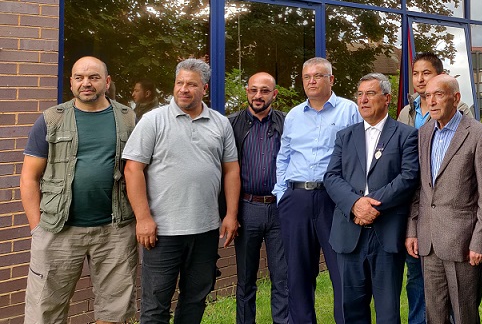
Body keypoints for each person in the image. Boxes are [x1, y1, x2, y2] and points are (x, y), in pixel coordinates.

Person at [20, 56, 138, 324]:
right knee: (44, 313)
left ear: (106, 82)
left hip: (115, 230)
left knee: (115, 313)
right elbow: (29, 177)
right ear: (71, 83)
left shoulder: (128, 119)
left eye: (94, 77)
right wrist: (37, 228)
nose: (86, 83)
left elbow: (138, 171)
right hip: (58, 230)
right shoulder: (51, 119)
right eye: (79, 78)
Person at [123, 58, 240, 324]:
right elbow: (132, 170)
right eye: (179, 83)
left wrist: (231, 215)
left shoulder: (220, 123)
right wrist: (143, 218)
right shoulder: (153, 120)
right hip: (162, 232)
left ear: (205, 89)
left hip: (206, 230)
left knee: (195, 299)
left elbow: (231, 171)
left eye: (191, 84)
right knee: (155, 307)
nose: (184, 89)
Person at [324, 73, 420, 324]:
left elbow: (408, 177)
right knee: (351, 309)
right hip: (349, 233)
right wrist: (355, 205)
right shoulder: (345, 136)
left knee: (388, 311)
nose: (363, 99)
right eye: (359, 94)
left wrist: (370, 204)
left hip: (386, 233)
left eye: (370, 93)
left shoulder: (406, 135)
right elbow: (331, 177)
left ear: (387, 98)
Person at [273, 57, 360, 324]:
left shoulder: (349, 110)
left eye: (318, 76)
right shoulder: (294, 115)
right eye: (306, 77)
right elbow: (284, 156)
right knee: (298, 273)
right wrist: (282, 194)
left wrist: (352, 199)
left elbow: (359, 154)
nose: (311, 81)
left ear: (331, 79)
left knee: (342, 270)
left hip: (333, 200)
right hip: (296, 199)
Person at [406, 74, 482, 324]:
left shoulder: (478, 135)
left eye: (439, 95)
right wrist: (412, 229)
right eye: (428, 96)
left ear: (455, 98)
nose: (432, 101)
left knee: (464, 315)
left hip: (463, 243)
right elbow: (419, 188)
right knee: (434, 315)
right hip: (428, 241)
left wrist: (480, 241)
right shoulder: (424, 133)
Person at [397, 51, 472, 324]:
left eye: (426, 73)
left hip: (449, 213)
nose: (420, 79)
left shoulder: (460, 111)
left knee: (453, 287)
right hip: (416, 202)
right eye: (415, 74)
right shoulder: (407, 112)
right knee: (417, 275)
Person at [228, 72, 289, 324]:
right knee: (245, 280)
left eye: (264, 91)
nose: (258, 96)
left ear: (274, 94)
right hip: (246, 208)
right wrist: (230, 213)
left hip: (279, 209)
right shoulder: (231, 124)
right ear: (247, 92)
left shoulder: (287, 122)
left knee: (283, 278)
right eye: (253, 90)